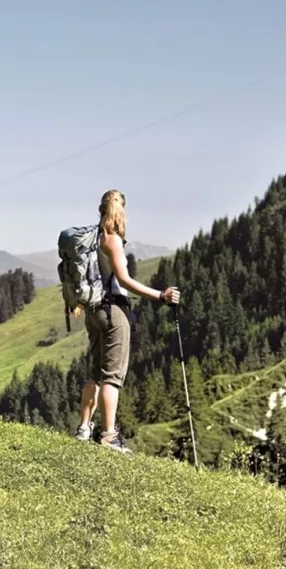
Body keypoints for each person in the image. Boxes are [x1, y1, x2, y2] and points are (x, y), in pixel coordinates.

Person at [74, 189, 180, 452]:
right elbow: (124, 279)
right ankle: (109, 436)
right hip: (114, 312)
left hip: (94, 311)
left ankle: (84, 428)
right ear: (121, 212)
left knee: (95, 374)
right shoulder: (112, 240)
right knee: (112, 377)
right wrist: (160, 295)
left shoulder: (91, 238)